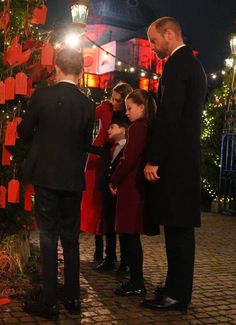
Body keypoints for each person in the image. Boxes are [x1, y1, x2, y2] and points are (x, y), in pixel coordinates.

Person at [17, 48, 95, 320]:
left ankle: (50, 301)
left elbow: (24, 131)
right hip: (73, 178)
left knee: (48, 236)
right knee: (70, 238)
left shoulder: (43, 96)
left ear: (57, 68)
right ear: (81, 71)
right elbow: (86, 144)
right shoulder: (88, 104)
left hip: (46, 175)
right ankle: (73, 297)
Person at [142, 17, 207, 311]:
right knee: (177, 229)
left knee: (179, 231)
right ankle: (174, 287)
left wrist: (154, 159)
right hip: (183, 159)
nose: (152, 47)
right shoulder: (188, 64)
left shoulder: (179, 65)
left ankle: (178, 293)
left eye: (154, 41)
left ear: (169, 34)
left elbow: (170, 117)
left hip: (177, 162)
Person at [109, 89, 157, 296]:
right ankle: (135, 280)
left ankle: (137, 282)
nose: (126, 113)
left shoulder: (138, 128)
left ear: (142, 107)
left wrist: (114, 179)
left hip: (131, 188)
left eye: (130, 108)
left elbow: (127, 159)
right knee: (130, 236)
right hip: (136, 188)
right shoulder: (146, 127)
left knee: (130, 236)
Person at [80, 82, 133, 262]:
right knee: (95, 200)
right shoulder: (105, 107)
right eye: (112, 97)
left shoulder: (128, 116)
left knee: (110, 207)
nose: (113, 102)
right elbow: (87, 116)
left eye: (117, 100)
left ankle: (112, 254)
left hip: (115, 158)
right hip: (98, 157)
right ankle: (98, 250)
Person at [95, 120, 130, 275]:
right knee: (108, 226)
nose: (108, 130)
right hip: (107, 193)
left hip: (120, 193)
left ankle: (125, 262)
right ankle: (110, 258)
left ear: (122, 129)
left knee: (122, 228)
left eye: (112, 127)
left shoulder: (128, 147)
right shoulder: (109, 147)